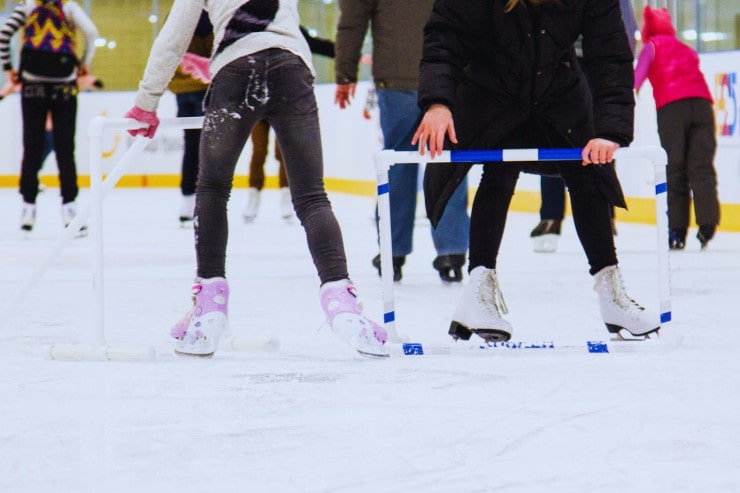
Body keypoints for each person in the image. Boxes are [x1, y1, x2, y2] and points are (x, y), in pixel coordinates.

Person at [124, 0, 388, 358]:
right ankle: (344, 305)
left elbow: (174, 37)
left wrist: (146, 101)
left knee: (213, 189)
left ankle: (209, 311)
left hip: (236, 72)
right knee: (312, 196)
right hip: (291, 70)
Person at [412, 0, 660, 342]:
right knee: (499, 170)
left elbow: (610, 55)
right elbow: (445, 37)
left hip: (556, 90)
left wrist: (609, 130)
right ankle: (478, 292)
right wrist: (438, 102)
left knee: (588, 169)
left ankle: (611, 292)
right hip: (491, 92)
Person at [334, 0, 470, 284]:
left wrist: (345, 72)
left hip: (398, 76)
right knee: (448, 160)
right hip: (450, 75)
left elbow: (353, 19)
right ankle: (452, 251)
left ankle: (392, 253)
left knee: (396, 164)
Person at [530, 0, 637, 253]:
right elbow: (628, 31)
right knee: (596, 136)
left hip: (566, 63)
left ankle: (552, 217)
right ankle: (605, 212)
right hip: (588, 62)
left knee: (558, 133)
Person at [0, 0, 98, 233]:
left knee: (31, 147)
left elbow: (4, 34)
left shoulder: (28, 6)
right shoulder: (68, 7)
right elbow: (92, 33)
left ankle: (28, 208)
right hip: (64, 86)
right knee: (65, 148)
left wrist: (10, 68)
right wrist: (83, 63)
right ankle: (69, 208)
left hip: (32, 85)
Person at [634, 6, 720, 250]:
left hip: (672, 108)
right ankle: (707, 225)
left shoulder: (651, 47)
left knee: (675, 168)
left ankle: (677, 231)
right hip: (702, 105)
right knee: (701, 166)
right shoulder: (684, 47)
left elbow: (636, 78)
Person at [243, 26, 335, 224]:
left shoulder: (288, 24)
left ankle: (286, 198)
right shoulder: (252, 24)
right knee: (259, 151)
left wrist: (343, 53)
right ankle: (253, 198)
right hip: (257, 97)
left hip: (285, 98)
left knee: (284, 152)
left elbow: (315, 44)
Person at [167, 10, 213, 225]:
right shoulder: (210, 15)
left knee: (192, 145)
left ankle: (188, 201)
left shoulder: (179, 13)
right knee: (207, 148)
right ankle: (201, 201)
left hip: (183, 91)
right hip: (202, 88)